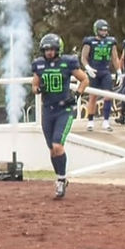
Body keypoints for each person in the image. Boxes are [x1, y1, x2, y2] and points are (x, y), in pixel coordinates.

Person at [32, 34, 89, 198]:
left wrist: (77, 94)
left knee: (58, 145)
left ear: (58, 49)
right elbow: (34, 85)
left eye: (52, 49)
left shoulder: (67, 62)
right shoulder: (39, 64)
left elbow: (84, 79)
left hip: (64, 109)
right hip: (47, 110)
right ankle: (60, 178)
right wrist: (38, 89)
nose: (49, 52)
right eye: (46, 49)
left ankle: (61, 180)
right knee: (52, 149)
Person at [80, 19, 121, 132]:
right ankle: (90, 121)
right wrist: (88, 68)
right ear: (96, 30)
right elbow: (83, 57)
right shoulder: (90, 42)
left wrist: (118, 71)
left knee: (108, 95)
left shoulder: (111, 42)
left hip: (105, 71)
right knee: (93, 96)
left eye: (105, 30)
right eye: (102, 30)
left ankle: (106, 121)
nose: (104, 32)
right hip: (94, 71)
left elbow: (115, 58)